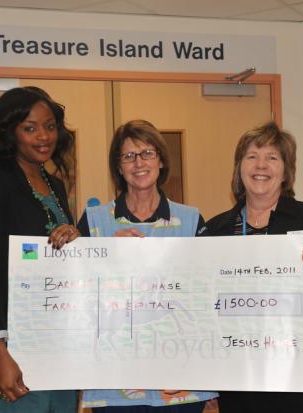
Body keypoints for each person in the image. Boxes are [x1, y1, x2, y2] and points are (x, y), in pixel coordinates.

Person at [205, 122, 303, 413]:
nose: (261, 165)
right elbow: (202, 307)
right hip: (240, 372)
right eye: (252, 156)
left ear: (286, 171)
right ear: (239, 168)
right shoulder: (215, 229)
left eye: (272, 157)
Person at [76, 119, 218, 412]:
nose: (138, 163)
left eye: (147, 153)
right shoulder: (94, 221)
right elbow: (76, 292)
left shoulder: (191, 219)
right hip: (114, 383)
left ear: (161, 161)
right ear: (118, 166)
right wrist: (106, 253)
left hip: (180, 381)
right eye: (128, 156)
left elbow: (207, 294)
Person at [0, 86, 79, 412]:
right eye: (30, 128)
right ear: (9, 132)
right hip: (10, 338)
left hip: (56, 336)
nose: (44, 136)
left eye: (50, 126)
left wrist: (75, 239)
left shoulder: (55, 185)